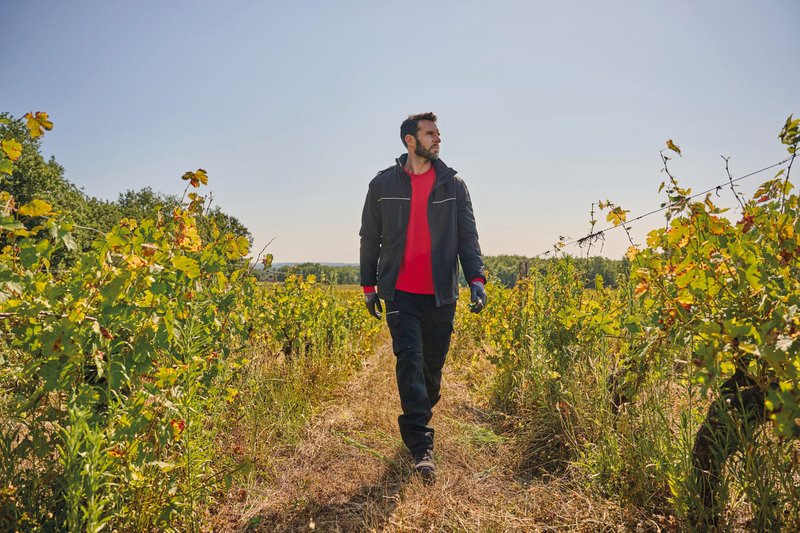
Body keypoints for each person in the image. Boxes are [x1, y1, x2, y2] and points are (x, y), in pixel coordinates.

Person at [359, 112, 487, 482]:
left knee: (431, 368)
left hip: (441, 293)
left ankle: (421, 412)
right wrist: (369, 286)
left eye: (438, 133)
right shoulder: (382, 184)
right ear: (410, 141)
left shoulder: (453, 185)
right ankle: (421, 446)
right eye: (430, 133)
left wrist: (476, 278)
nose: (437, 139)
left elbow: (468, 236)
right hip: (400, 292)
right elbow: (370, 238)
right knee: (410, 361)